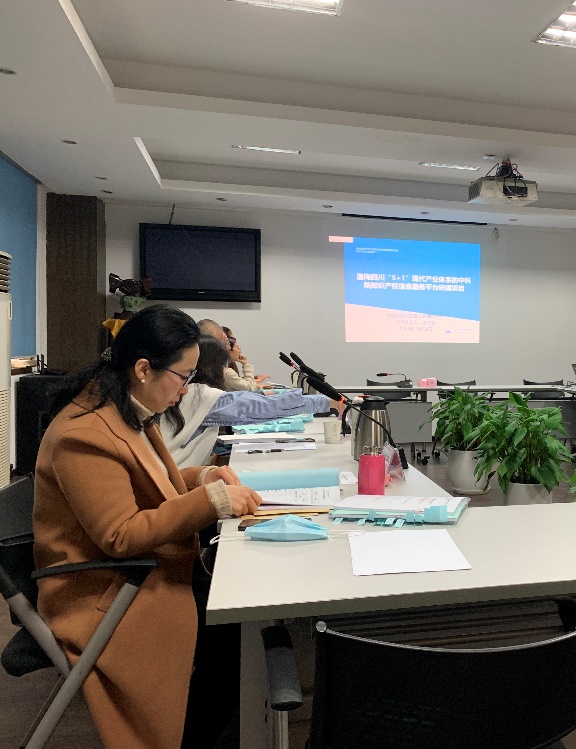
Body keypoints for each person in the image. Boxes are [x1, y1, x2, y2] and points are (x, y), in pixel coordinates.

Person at [33, 305, 263, 749]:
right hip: (105, 588)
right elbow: (120, 534)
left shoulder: (123, 409)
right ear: (142, 369)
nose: (186, 389)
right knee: (236, 634)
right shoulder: (84, 434)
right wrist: (211, 501)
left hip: (138, 571)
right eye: (183, 376)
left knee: (240, 617)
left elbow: (153, 482)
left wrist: (203, 478)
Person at [164, 336, 345, 468]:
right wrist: (329, 402)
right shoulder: (199, 396)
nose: (225, 372)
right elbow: (267, 407)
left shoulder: (191, 393)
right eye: (223, 366)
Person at [196, 318, 260, 391]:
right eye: (225, 343)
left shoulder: (221, 369)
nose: (228, 348)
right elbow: (248, 388)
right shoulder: (225, 372)